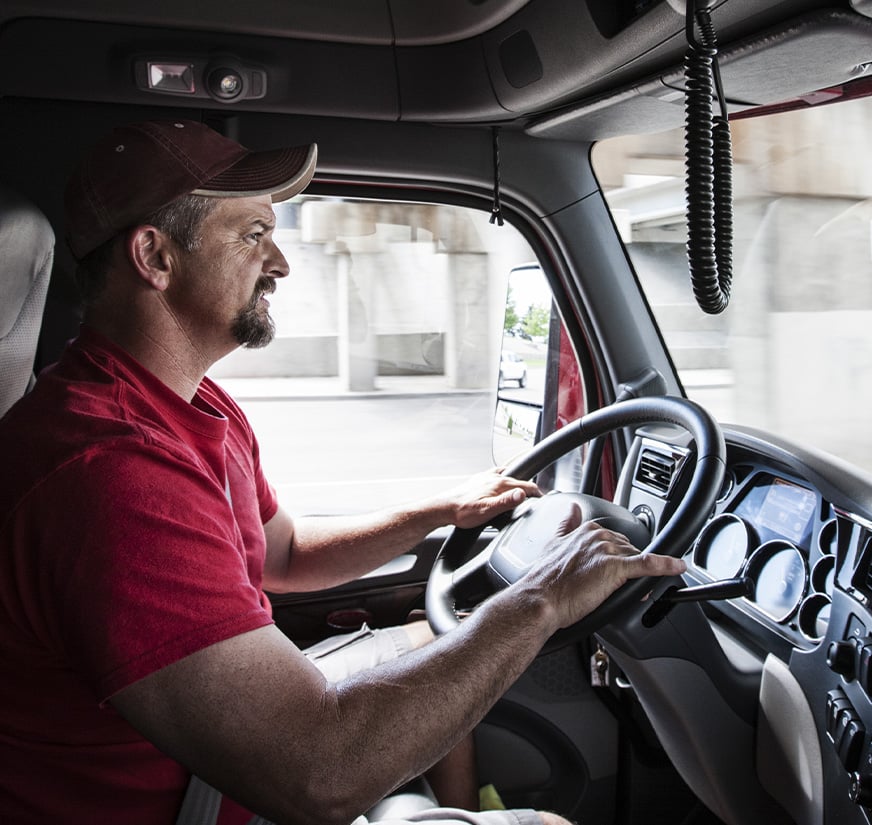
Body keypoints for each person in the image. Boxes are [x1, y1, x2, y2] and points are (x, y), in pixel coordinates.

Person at [0, 119, 687, 825]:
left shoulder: (188, 402)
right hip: (198, 803)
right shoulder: (111, 472)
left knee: (432, 634)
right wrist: (539, 600)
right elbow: (315, 775)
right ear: (155, 256)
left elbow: (281, 552)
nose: (280, 263)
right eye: (251, 234)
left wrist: (438, 509)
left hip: (217, 756)